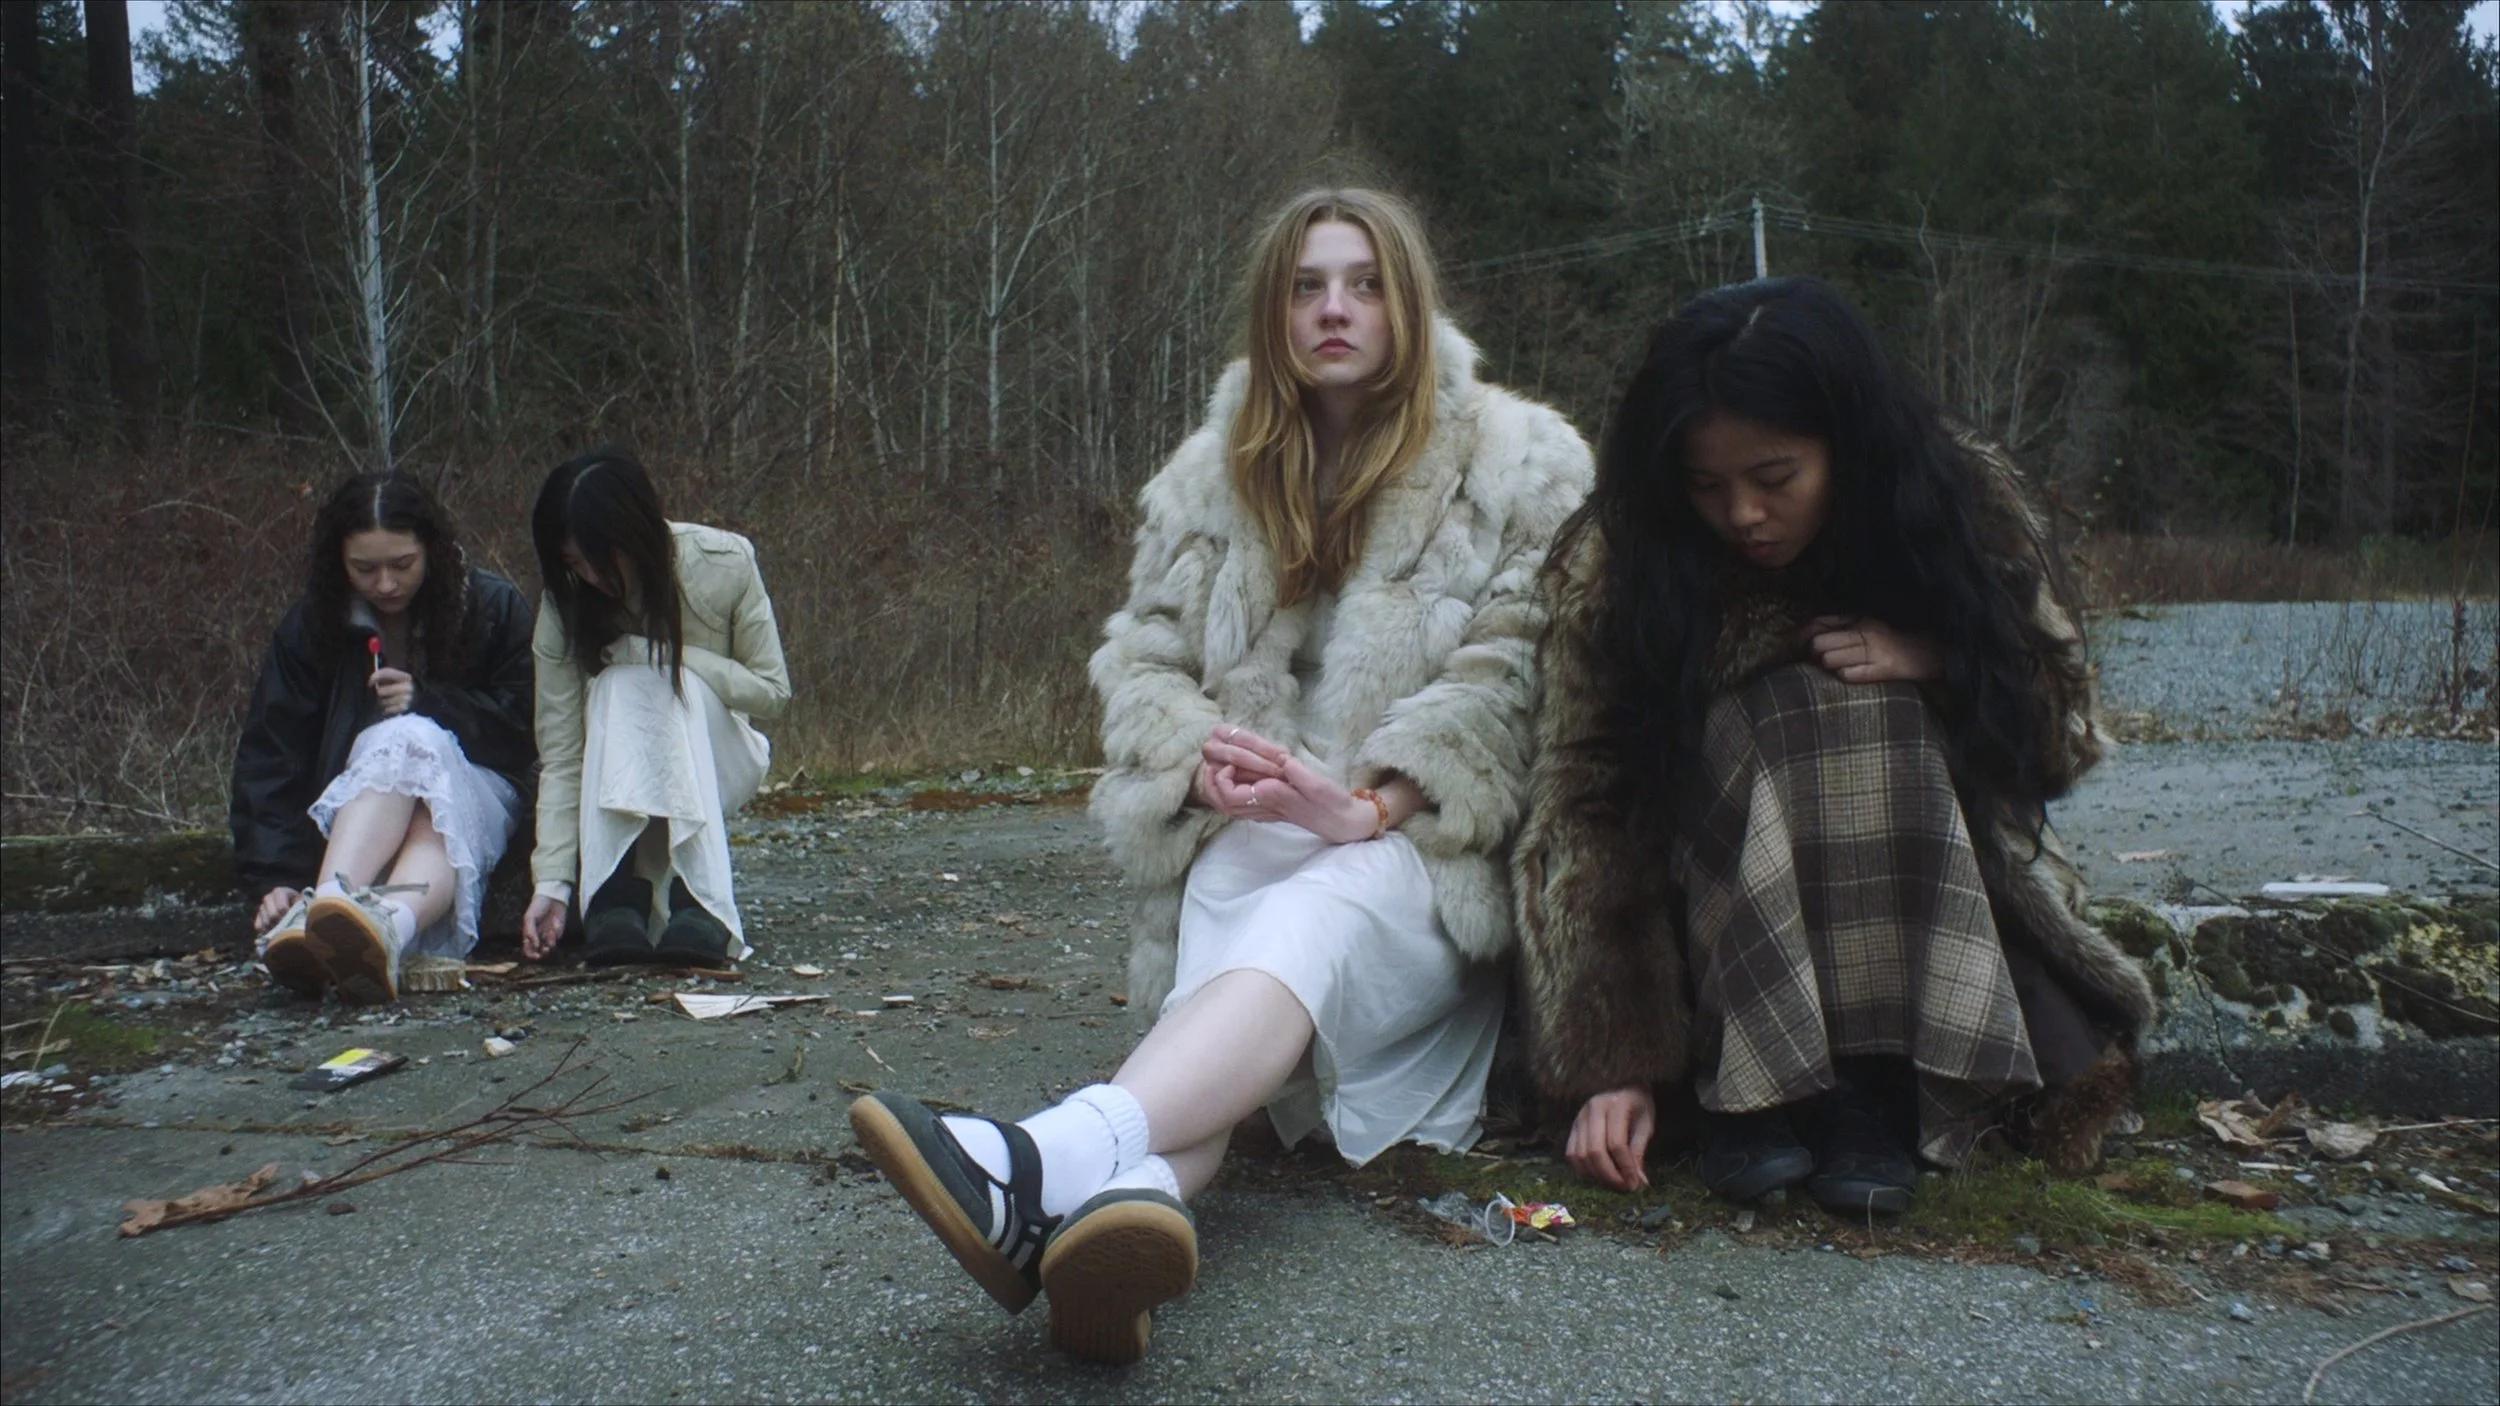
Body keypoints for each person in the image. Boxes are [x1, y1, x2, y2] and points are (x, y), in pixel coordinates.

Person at [848, 188, 1592, 1365]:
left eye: (1361, 282)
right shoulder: (1211, 475)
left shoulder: (1522, 460)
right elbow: (1144, 655)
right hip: (1258, 843)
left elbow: (1515, 672)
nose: (1334, 308)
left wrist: (1366, 803)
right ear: (1272, 310)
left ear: (1407, 298)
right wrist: (1207, 766)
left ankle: (1036, 1157)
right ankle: (1102, 1227)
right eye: (1306, 286)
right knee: (1255, 877)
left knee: (1326, 885)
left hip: (1419, 869)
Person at [1514, 277, 2157, 1217]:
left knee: (1862, 712)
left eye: (1775, 479)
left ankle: (1873, 1085)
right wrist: (1612, 1063)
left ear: (1848, 449)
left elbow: (2058, 737)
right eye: (1707, 486)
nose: (1741, 516)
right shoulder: (1622, 561)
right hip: (1708, 937)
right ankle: (1760, 1086)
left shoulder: (1957, 507)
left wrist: (1939, 660)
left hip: (1934, 897)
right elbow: (1586, 798)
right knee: (1769, 718)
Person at [232, 473, 536, 1004]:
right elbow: (271, 753)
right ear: (337, 562)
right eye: (364, 569)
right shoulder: (311, 628)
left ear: (432, 551)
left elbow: (526, 730)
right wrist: (274, 874)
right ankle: (382, 930)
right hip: (367, 810)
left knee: (411, 736)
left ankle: (320, 912)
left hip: (486, 791)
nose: (386, 585)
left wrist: (431, 702)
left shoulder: (490, 605)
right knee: (415, 779)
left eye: (402, 565)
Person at [520, 448, 790, 970]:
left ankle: (700, 902)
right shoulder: (564, 605)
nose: (594, 576)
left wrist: (664, 656)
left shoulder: (725, 561)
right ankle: (615, 898)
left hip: (721, 757)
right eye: (576, 563)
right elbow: (562, 755)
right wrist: (551, 883)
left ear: (637, 531)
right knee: (619, 685)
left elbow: (772, 692)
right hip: (617, 776)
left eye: (603, 557)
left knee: (652, 678)